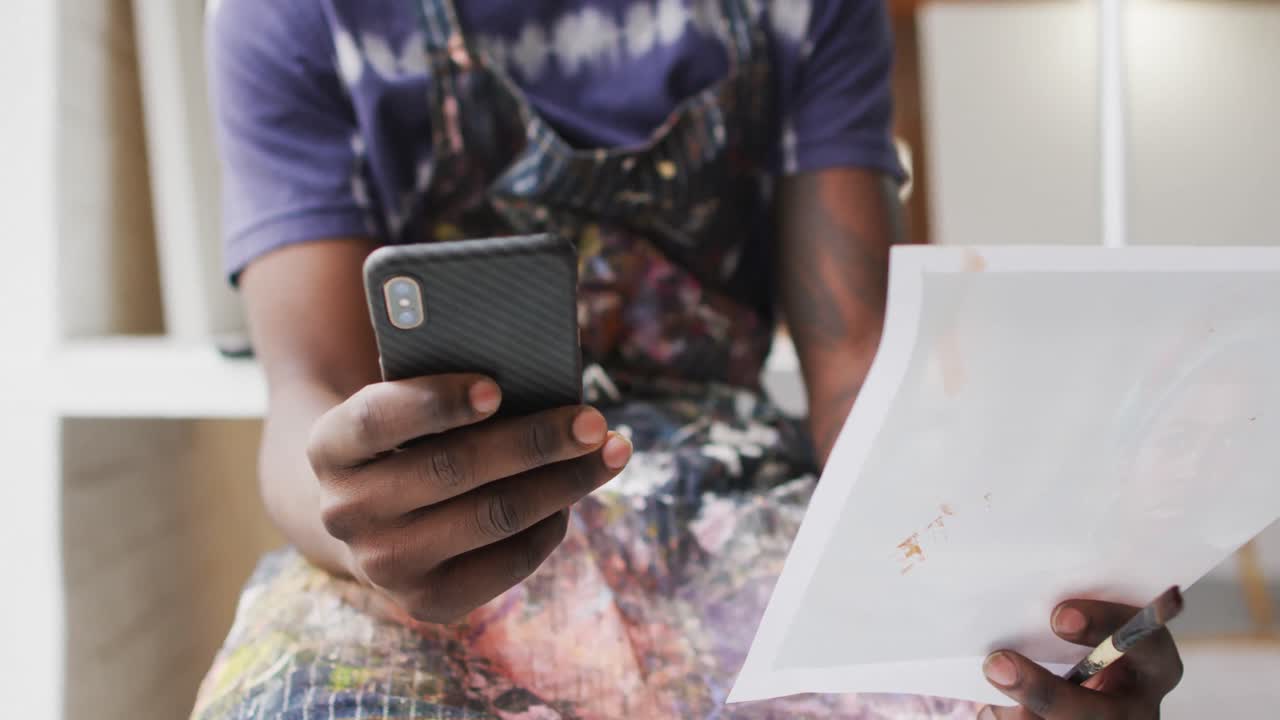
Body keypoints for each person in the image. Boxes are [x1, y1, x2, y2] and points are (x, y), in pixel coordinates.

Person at [194, 1, 1182, 717]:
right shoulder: (295, 14)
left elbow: (855, 366)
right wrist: (361, 528)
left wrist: (1002, 571)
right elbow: (308, 391)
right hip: (434, 532)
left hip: (740, 504)